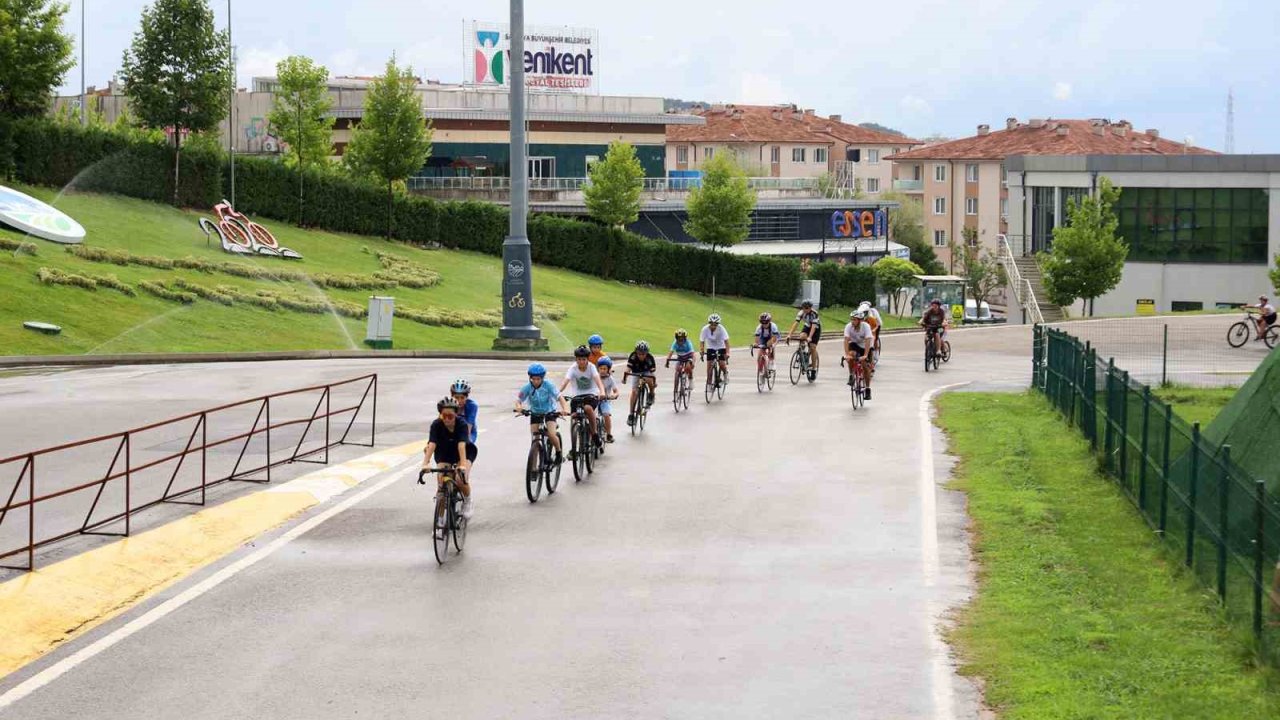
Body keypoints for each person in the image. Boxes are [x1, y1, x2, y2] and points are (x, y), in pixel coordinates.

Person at [421, 396, 476, 518]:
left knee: (460, 479)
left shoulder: (461, 424)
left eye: (450, 416)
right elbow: (432, 444)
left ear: (456, 415)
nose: (446, 419)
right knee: (441, 486)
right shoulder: (436, 425)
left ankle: (468, 501)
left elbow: (461, 446)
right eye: (443, 416)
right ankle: (440, 521)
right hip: (445, 451)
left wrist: (462, 465)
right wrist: (425, 463)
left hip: (464, 451)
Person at [515, 363, 568, 463]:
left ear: (542, 378)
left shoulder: (548, 385)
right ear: (530, 378)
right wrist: (519, 408)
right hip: (535, 413)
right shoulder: (527, 387)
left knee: (552, 434)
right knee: (535, 439)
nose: (535, 381)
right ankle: (534, 468)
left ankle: (558, 453)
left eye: (538, 379)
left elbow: (560, 397)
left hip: (549, 412)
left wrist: (564, 409)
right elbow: (518, 400)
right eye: (533, 379)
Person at [558, 345, 607, 453]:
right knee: (574, 416)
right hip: (577, 396)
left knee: (588, 409)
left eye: (584, 359)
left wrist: (602, 392)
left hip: (591, 394)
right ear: (576, 359)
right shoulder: (573, 368)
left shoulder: (591, 367)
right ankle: (574, 446)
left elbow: (598, 381)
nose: (581, 362)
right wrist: (558, 392)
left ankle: (594, 434)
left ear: (587, 359)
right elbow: (565, 381)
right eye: (579, 359)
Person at [623, 341, 657, 427]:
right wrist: (625, 378)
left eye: (643, 354)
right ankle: (631, 414)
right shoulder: (633, 356)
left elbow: (652, 373)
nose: (641, 356)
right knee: (634, 392)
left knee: (649, 380)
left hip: (646, 372)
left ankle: (651, 394)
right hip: (636, 373)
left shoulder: (650, 358)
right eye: (639, 354)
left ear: (647, 353)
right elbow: (628, 369)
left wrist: (654, 382)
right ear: (636, 352)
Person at [843, 311, 875, 400]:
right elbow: (846, 340)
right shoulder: (848, 326)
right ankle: (851, 375)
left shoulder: (866, 327)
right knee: (851, 355)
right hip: (854, 344)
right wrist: (846, 355)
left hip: (866, 345)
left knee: (865, 366)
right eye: (851, 319)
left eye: (854, 320)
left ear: (860, 321)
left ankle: (868, 389)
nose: (852, 321)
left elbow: (868, 340)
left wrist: (865, 355)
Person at [787, 300, 822, 374]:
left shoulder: (814, 313)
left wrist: (809, 337)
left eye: (806, 308)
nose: (805, 309)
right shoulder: (801, 313)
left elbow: (813, 326)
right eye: (803, 308)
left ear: (810, 308)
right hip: (807, 326)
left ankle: (813, 369)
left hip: (815, 329)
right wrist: (789, 335)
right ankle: (802, 353)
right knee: (802, 336)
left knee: (812, 347)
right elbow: (796, 323)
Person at [699, 313, 731, 388]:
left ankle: (725, 373)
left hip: (721, 346)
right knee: (709, 366)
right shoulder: (705, 329)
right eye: (711, 324)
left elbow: (726, 341)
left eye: (715, 324)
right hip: (710, 347)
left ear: (718, 324)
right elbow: (702, 341)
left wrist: (728, 352)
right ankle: (709, 383)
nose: (713, 326)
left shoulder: (721, 329)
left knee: (721, 363)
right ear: (709, 323)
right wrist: (701, 350)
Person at [665, 328, 697, 396]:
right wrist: (667, 361)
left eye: (682, 339)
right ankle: (676, 390)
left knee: (688, 367)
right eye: (678, 339)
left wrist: (693, 362)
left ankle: (691, 380)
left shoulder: (688, 343)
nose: (680, 341)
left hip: (689, 356)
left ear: (685, 339)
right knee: (677, 370)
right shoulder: (675, 343)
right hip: (680, 357)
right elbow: (670, 353)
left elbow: (693, 354)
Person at [596, 357, 621, 442]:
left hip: (604, 400)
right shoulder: (595, 377)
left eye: (604, 369)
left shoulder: (610, 379)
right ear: (597, 369)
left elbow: (616, 391)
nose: (602, 370)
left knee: (606, 414)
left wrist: (614, 395)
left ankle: (609, 434)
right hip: (594, 399)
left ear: (608, 370)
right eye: (601, 368)